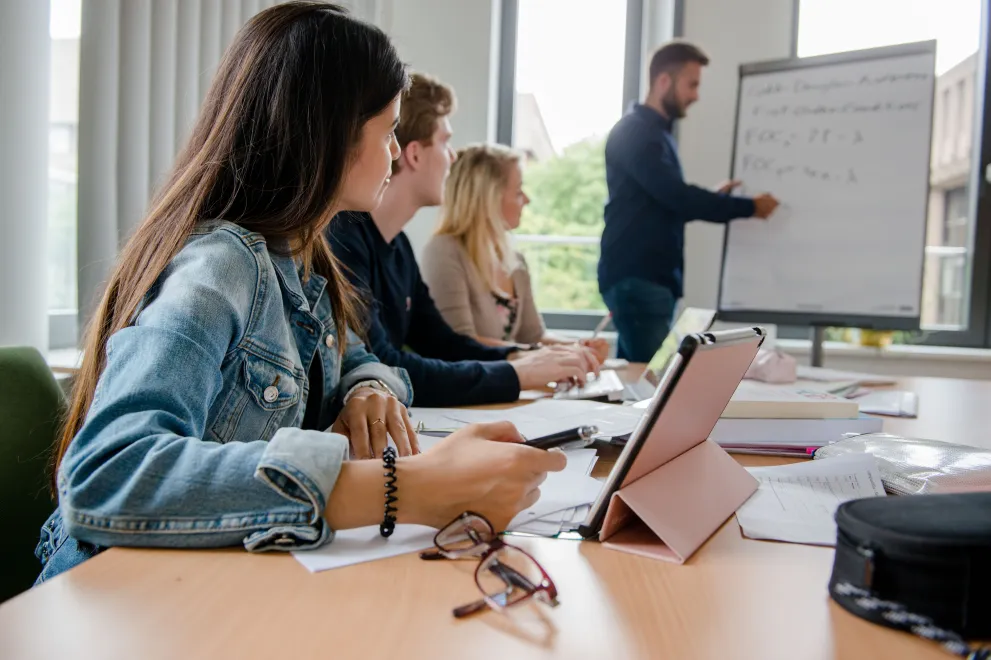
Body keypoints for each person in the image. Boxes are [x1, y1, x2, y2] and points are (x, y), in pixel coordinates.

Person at [34, 3, 565, 584]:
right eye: (388, 129)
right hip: (111, 599)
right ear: (330, 133)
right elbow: (109, 474)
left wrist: (367, 388)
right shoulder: (223, 265)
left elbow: (360, 357)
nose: (394, 152)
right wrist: (404, 488)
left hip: (213, 586)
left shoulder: (305, 260)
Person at [330, 73, 600, 408]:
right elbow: (382, 362)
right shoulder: (341, 239)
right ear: (414, 155)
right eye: (445, 142)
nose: (454, 157)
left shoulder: (398, 246)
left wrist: (522, 356)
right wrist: (515, 373)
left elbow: (443, 342)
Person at [599, 41, 780, 362]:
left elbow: (663, 201)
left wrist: (712, 197)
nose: (696, 94)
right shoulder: (637, 133)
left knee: (637, 383)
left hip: (648, 281)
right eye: (692, 84)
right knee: (652, 383)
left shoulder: (655, 135)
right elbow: (677, 197)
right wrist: (748, 206)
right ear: (664, 81)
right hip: (639, 280)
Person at [422, 143, 609, 361]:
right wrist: (552, 355)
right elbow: (461, 343)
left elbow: (534, 336)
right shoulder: (444, 252)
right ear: (488, 197)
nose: (527, 200)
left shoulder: (515, 261)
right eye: (519, 191)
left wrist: (580, 347)